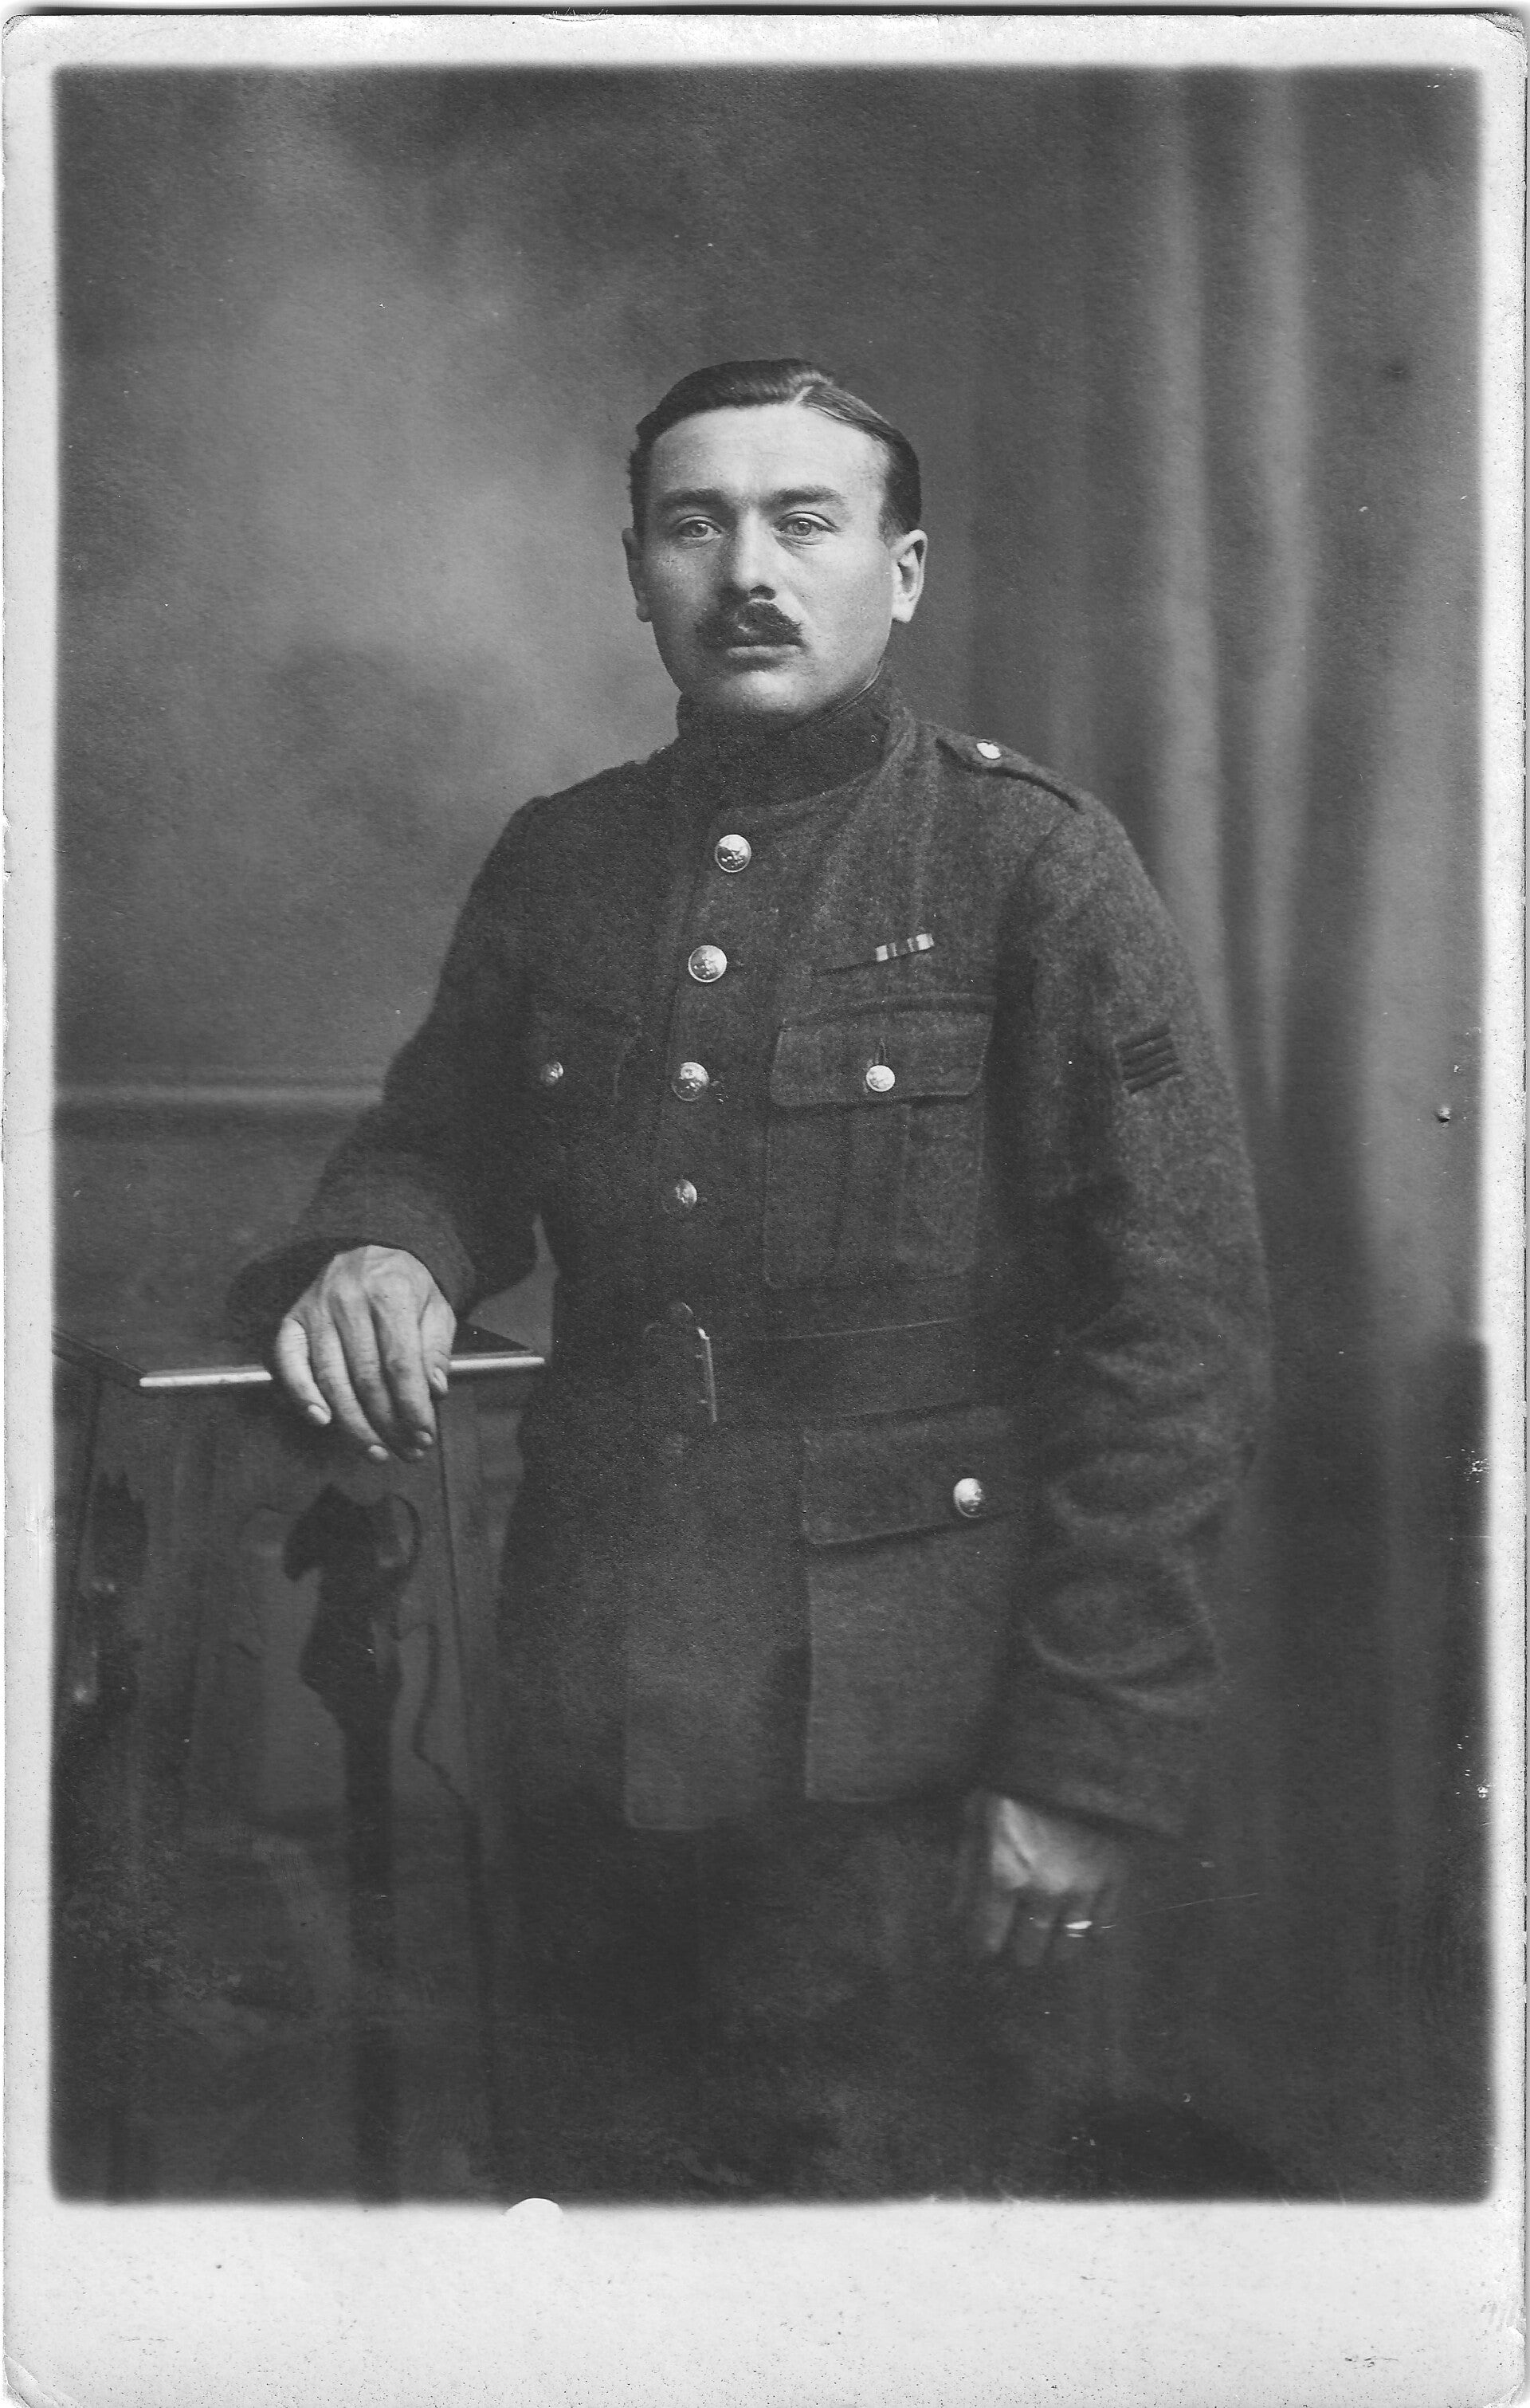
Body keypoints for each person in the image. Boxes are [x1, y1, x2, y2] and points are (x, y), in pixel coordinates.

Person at [231, 358, 1269, 2198]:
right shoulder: (563, 859)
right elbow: (443, 1139)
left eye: (806, 521)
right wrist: (385, 1241)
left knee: (871, 2246)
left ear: (904, 569)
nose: (749, 573)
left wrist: (1085, 1760)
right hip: (596, 1688)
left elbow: (1171, 1330)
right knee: (605, 2208)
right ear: (637, 569)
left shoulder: (1032, 862)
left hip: (909, 1733)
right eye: (694, 524)